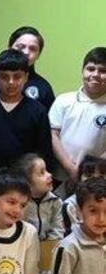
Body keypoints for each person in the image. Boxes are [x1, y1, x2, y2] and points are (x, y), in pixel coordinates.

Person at [0, 49, 52, 185]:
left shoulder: (38, 111)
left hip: (22, 183)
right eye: (5, 77)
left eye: (17, 76)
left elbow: (43, 151)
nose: (11, 82)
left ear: (26, 77)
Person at [49, 47, 106, 187]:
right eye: (90, 69)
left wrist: (94, 171)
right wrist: (70, 168)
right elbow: (52, 135)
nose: (95, 74)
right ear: (83, 71)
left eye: (103, 71)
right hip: (60, 175)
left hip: (97, 179)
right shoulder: (64, 100)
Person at [0, 26, 55, 110]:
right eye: (21, 47)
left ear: (38, 54)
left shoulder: (43, 87)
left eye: (32, 49)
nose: (26, 52)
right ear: (9, 47)